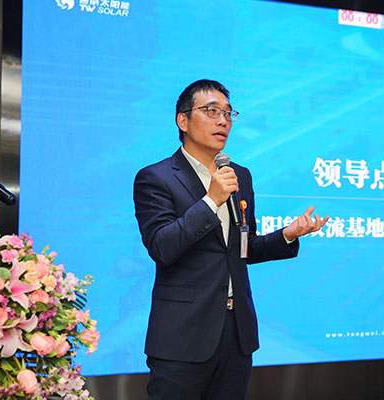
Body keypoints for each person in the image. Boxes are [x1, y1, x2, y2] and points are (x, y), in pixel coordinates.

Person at [133, 79, 328, 400]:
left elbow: (242, 248)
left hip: (236, 334)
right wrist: (211, 200)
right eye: (211, 111)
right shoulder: (156, 177)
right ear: (183, 120)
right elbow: (162, 247)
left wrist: (287, 235)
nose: (223, 121)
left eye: (228, 113)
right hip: (183, 337)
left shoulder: (240, 175)